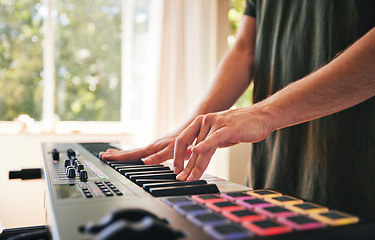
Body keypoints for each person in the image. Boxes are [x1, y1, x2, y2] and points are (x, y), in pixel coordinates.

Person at [100, 0, 375, 219]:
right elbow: (245, 48)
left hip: (354, 177)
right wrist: (191, 128)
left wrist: (264, 113)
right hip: (273, 174)